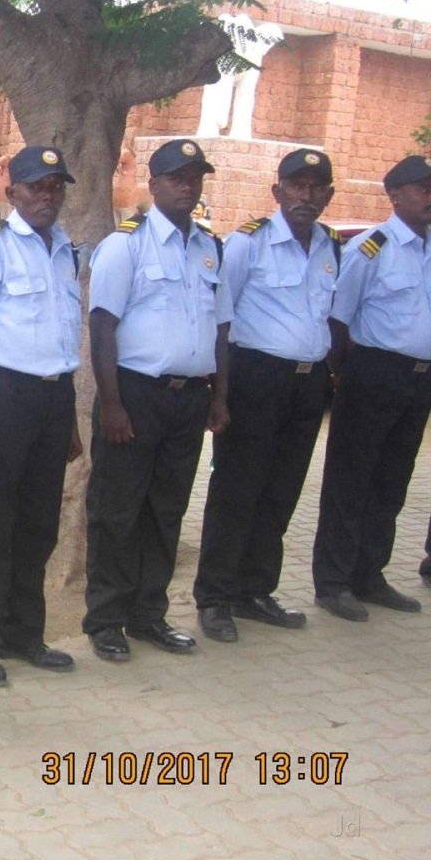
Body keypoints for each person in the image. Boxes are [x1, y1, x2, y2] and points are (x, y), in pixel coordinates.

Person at [84, 138, 232, 662]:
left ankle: (149, 614)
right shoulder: (126, 246)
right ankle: (106, 620)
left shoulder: (210, 248)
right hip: (135, 395)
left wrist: (220, 396)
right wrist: (112, 404)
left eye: (195, 178)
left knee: (166, 511)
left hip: (189, 399)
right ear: (154, 185)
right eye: (177, 178)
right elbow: (102, 327)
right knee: (117, 511)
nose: (188, 187)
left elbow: (221, 328)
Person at [192, 149, 339, 641]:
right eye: (296, 185)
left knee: (281, 490)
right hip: (256, 378)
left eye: (315, 187)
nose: (305, 195)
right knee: (237, 489)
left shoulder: (331, 246)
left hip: (307, 383)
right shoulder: (247, 244)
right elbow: (221, 319)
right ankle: (215, 598)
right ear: (277, 191)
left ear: (328, 195)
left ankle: (255, 590)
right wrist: (220, 393)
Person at [0, 145, 82, 686]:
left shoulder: (66, 249)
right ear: (12, 193)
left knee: (38, 524)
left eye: (55, 187)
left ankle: (23, 634)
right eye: (36, 187)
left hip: (54, 398)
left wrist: (69, 421)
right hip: (5, 396)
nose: (48, 196)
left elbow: (62, 338)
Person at [311, 155, 431, 621]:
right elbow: (338, 319)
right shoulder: (371, 248)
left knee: (391, 480)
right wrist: (344, 374)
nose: (430, 197)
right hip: (373, 373)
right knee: (351, 479)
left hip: (419, 380)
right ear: (394, 195)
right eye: (422, 188)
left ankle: (369, 574)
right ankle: (333, 582)